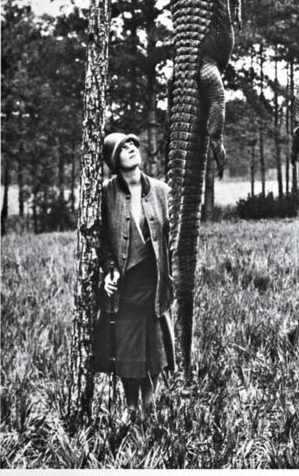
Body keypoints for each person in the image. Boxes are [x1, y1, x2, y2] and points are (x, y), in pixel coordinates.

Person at [93, 132, 175, 424]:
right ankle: (130, 410)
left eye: (132, 145)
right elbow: (100, 240)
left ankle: (150, 407)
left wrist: (171, 273)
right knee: (128, 348)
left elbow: (173, 237)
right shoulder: (104, 193)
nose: (131, 149)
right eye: (123, 147)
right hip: (124, 286)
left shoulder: (162, 191)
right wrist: (108, 269)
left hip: (154, 284)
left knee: (153, 347)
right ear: (113, 160)